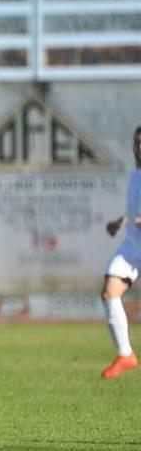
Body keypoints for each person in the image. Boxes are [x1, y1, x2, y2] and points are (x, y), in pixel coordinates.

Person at [100, 126, 141, 379]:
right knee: (109, 291)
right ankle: (125, 355)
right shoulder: (134, 175)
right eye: (137, 141)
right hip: (133, 246)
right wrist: (122, 220)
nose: (140, 146)